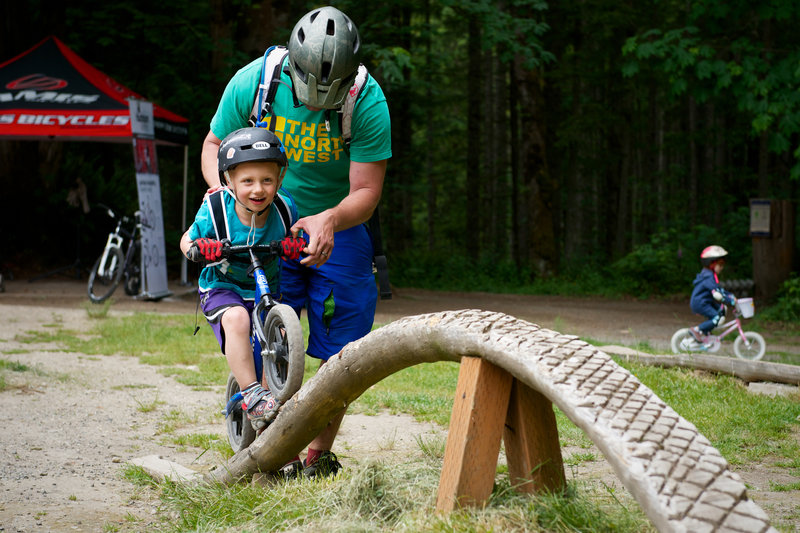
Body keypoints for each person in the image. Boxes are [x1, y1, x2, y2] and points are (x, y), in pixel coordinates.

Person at [200, 6, 391, 478]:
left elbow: (366, 192)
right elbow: (213, 146)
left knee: (342, 347)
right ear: (293, 67)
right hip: (264, 221)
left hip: (339, 225)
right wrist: (229, 201)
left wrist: (329, 218)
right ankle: (267, 452)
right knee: (271, 329)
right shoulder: (257, 81)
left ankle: (316, 455)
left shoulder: (366, 101)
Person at [181, 127, 305, 432]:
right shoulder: (215, 209)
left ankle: (271, 405)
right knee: (237, 319)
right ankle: (250, 393)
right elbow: (186, 240)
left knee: (280, 341)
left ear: (279, 179)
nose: (258, 190)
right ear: (229, 181)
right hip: (223, 287)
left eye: (266, 180)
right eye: (247, 181)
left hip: (265, 287)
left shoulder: (284, 208)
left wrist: (295, 245)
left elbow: (297, 237)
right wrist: (198, 250)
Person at [689, 245, 737, 342]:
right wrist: (731, 300)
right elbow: (717, 293)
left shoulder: (710, 274)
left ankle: (707, 332)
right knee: (717, 317)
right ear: (711, 264)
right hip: (701, 303)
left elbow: (719, 289)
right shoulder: (708, 277)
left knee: (721, 310)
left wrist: (731, 296)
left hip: (705, 301)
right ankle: (697, 330)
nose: (722, 268)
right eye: (720, 265)